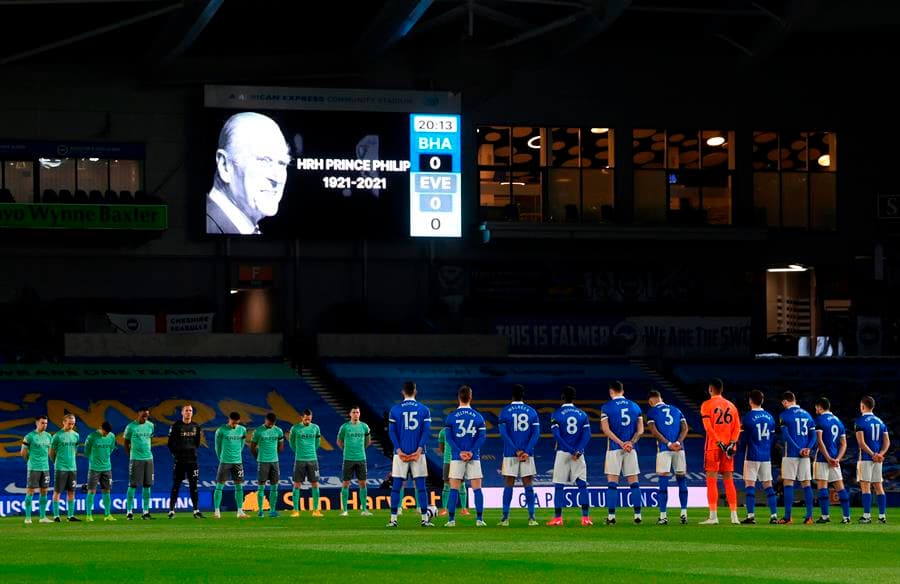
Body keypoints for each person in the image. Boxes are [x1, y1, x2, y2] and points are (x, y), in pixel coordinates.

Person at [206, 112, 291, 235]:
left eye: (282, 163)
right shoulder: (208, 227)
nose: (277, 178)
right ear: (224, 165)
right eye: (264, 160)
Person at [387, 381, 432, 528]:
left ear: (403, 392)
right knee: (421, 487)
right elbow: (426, 432)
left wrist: (399, 450)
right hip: (419, 454)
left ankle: (393, 520)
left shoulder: (395, 410)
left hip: (400, 454)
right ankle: (425, 519)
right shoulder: (424, 409)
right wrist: (418, 450)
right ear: (415, 391)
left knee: (396, 486)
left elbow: (392, 432)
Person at [547, 385, 592, 527]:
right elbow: (587, 435)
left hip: (563, 453)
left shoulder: (556, 414)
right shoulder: (582, 414)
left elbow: (557, 436)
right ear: (574, 398)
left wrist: (570, 450)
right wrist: (578, 450)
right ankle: (585, 518)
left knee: (559, 486)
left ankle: (558, 518)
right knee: (582, 485)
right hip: (579, 455)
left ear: (562, 397)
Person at [444, 385, 488, 527]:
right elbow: (481, 438)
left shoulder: (451, 417)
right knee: (477, 489)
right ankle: (479, 519)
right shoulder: (478, 416)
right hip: (473, 457)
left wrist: (460, 452)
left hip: (457, 457)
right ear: (470, 397)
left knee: (454, 489)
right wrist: (471, 452)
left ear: (459, 397)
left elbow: (449, 439)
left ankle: (451, 520)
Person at [601, 381, 644, 525]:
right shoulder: (634, 406)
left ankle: (612, 517)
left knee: (612, 483)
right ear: (622, 391)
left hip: (614, 448)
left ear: (611, 391)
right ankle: (638, 515)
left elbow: (606, 430)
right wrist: (630, 442)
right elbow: (640, 430)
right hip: (631, 449)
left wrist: (620, 443)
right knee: (634, 483)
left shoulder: (607, 407)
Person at [497, 384, 540, 526]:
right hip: (528, 455)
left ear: (512, 395)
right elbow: (535, 434)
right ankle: (532, 518)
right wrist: (526, 451)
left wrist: (516, 450)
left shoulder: (505, 411)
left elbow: (504, 434)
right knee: (528, 484)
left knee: (508, 484)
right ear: (523, 395)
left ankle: (505, 518)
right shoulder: (532, 412)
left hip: (510, 453)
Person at [699, 378, 741, 525]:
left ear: (711, 389)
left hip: (714, 446)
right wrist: (731, 443)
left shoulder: (707, 405)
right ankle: (734, 516)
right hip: (729, 448)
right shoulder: (732, 406)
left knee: (711, 480)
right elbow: (737, 428)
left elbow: (708, 428)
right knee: (729, 480)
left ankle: (713, 516)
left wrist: (719, 442)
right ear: (721, 389)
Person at [646, 389, 689, 525]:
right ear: (661, 398)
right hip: (679, 449)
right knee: (682, 480)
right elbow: (685, 428)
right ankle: (683, 514)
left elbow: (653, 431)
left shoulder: (652, 412)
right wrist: (677, 442)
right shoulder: (676, 410)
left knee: (663, 482)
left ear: (650, 401)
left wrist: (668, 443)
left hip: (664, 449)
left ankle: (663, 516)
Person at [740, 390, 779, 524]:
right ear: (762, 401)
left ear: (750, 401)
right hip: (766, 456)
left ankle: (751, 516)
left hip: (751, 455)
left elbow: (743, 439)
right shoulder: (770, 417)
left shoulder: (748, 417)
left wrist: (738, 450)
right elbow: (773, 438)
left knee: (750, 485)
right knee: (768, 486)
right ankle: (774, 516)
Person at [778, 391, 816, 524]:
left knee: (788, 483)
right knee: (806, 484)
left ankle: (788, 517)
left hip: (791, 454)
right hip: (805, 456)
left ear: (785, 402)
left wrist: (798, 448)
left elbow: (786, 436)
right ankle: (809, 517)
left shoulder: (784, 415)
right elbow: (814, 436)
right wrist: (808, 449)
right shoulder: (807, 415)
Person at [812, 397, 851, 524]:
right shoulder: (839, 422)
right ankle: (846, 517)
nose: (815, 409)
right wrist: (837, 459)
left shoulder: (819, 420)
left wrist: (828, 458)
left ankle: (825, 516)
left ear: (819, 407)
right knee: (840, 488)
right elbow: (844, 444)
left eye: (816, 407)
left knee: (822, 487)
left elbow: (819, 441)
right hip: (835, 459)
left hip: (823, 458)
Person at [854, 396, 890, 523]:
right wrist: (880, 454)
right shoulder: (881, 422)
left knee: (865, 486)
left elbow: (861, 443)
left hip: (865, 458)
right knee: (879, 486)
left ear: (863, 406)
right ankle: (882, 517)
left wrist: (873, 454)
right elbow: (887, 442)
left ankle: (867, 516)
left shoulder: (860, 421)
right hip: (878, 460)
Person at [167, 404, 204, 519]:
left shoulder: (196, 426)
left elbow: (197, 443)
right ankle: (172, 510)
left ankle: (196, 510)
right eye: (186, 410)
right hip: (180, 461)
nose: (188, 412)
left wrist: (190, 451)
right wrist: (177, 454)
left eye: (190, 410)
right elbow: (170, 443)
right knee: (176, 485)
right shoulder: (176, 426)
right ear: (182, 413)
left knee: (194, 485)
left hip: (192, 460)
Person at [336, 406, 373, 517]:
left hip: (361, 458)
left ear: (359, 414)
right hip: (348, 458)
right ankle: (345, 510)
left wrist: (360, 450)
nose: (356, 414)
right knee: (346, 483)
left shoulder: (364, 427)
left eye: (357, 412)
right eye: (354, 412)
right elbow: (339, 441)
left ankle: (364, 510)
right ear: (350, 414)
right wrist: (346, 450)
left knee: (362, 483)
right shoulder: (345, 427)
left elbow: (368, 441)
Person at [214, 411, 249, 519]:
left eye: (236, 423)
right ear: (229, 420)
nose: (234, 425)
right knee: (220, 486)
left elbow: (242, 445)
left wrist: (237, 455)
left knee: (239, 486)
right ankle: (217, 511)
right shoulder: (221, 430)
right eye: (233, 423)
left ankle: (240, 511)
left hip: (237, 462)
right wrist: (221, 458)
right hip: (225, 462)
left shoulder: (242, 430)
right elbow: (217, 447)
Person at [124, 407, 156, 520]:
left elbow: (149, 438)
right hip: (136, 459)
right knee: (133, 485)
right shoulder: (130, 427)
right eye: (143, 415)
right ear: (138, 413)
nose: (145, 417)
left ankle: (145, 512)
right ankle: (129, 512)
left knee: (147, 485)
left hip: (149, 458)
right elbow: (126, 443)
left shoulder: (150, 425)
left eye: (147, 415)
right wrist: (131, 456)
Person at [289, 409, 322, 517]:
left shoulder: (315, 428)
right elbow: (292, 443)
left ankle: (316, 510)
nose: (307, 420)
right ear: (302, 417)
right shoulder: (295, 428)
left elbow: (317, 443)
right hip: (299, 460)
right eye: (306, 418)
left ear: (311, 417)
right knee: (297, 484)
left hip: (313, 460)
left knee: (315, 483)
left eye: (309, 418)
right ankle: (295, 510)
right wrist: (299, 452)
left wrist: (311, 451)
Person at [251, 412, 285, 518]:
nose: (271, 425)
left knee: (274, 486)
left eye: (272, 423)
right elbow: (252, 447)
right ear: (265, 420)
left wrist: (275, 456)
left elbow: (281, 445)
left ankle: (273, 510)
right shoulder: (258, 431)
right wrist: (258, 458)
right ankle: (260, 511)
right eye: (269, 423)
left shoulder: (278, 431)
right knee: (261, 486)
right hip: (263, 462)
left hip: (274, 462)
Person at [21, 415, 53, 524]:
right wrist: (30, 461)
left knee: (44, 491)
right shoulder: (29, 436)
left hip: (45, 468)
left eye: (46, 423)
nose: (44, 425)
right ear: (37, 423)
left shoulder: (49, 436)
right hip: (34, 468)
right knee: (30, 491)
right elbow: (23, 452)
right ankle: (28, 518)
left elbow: (49, 452)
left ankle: (43, 517)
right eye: (42, 423)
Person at [49, 413, 80, 522]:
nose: (71, 426)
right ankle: (56, 516)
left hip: (72, 468)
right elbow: (51, 452)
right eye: (69, 423)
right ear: (63, 422)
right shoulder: (57, 436)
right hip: (60, 468)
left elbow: (75, 450)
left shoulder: (76, 435)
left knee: (71, 491)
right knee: (57, 491)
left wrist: (71, 459)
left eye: (73, 424)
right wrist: (56, 463)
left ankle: (70, 515)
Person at [84, 421, 116, 522]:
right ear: (100, 427)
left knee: (107, 491)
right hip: (94, 468)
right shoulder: (91, 437)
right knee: (91, 491)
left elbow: (111, 449)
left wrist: (104, 459)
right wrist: (95, 460)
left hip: (107, 468)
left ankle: (107, 515)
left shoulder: (111, 436)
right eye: (104, 432)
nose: (106, 434)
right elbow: (86, 451)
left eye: (107, 433)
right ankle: (89, 515)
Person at [437, 426, 468, 517]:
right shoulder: (443, 432)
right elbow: (441, 447)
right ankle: (444, 509)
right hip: (448, 461)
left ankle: (464, 509)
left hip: (459, 460)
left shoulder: (461, 431)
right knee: (446, 484)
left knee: (461, 484)